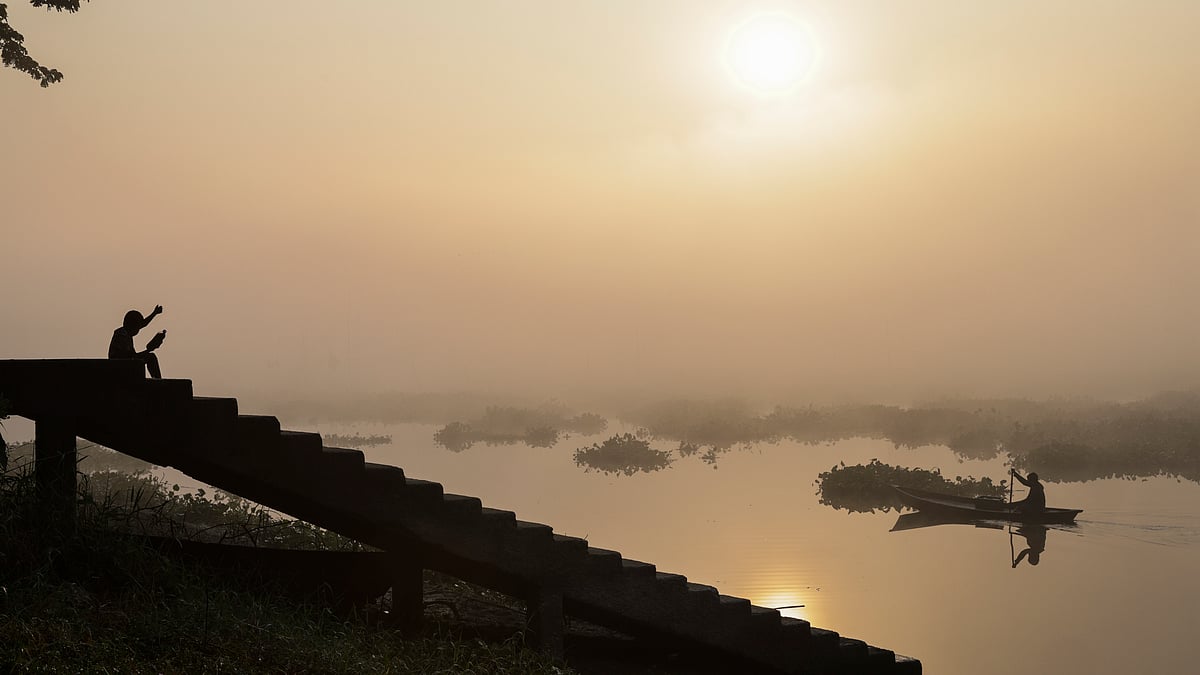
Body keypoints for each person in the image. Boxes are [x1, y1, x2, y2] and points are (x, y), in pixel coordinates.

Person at [108, 305, 166, 378]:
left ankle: (157, 380)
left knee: (150, 356)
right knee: (151, 357)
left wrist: (154, 313)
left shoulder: (127, 334)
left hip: (126, 362)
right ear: (132, 326)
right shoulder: (121, 335)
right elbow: (129, 357)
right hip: (120, 365)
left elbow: (143, 323)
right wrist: (148, 350)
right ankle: (158, 381)